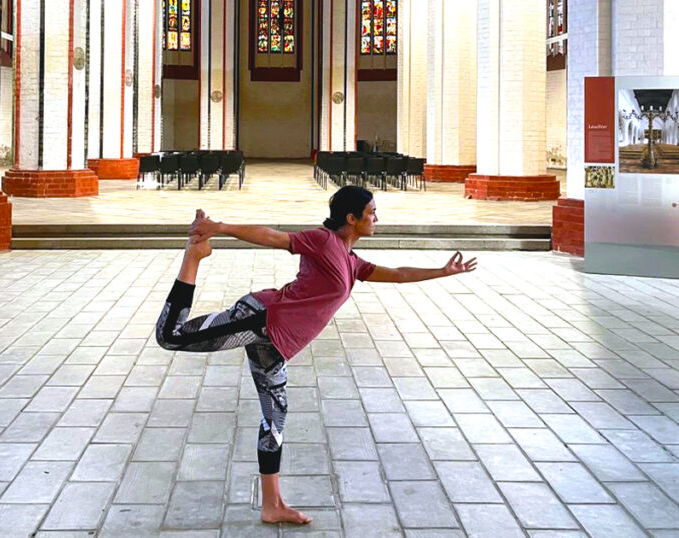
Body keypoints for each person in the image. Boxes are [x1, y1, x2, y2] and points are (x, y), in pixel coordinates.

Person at [156, 185, 477, 525]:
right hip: (261, 319)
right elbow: (275, 237)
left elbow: (398, 275)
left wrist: (442, 271)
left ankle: (273, 505)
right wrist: (221, 229)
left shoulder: (350, 260)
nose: (377, 218)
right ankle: (193, 255)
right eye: (371, 213)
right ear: (351, 219)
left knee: (274, 422)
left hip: (275, 347)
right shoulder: (323, 242)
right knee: (171, 336)